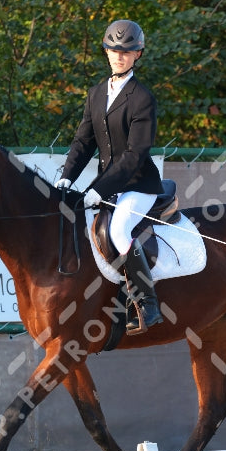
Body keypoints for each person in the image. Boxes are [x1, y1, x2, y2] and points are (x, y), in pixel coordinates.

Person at [54, 19, 164, 334]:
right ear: (106, 51)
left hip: (138, 185)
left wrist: (99, 189)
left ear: (138, 54)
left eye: (127, 51)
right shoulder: (96, 93)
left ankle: (148, 303)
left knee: (118, 231)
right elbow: (83, 141)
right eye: (114, 50)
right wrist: (67, 177)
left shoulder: (142, 98)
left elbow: (134, 156)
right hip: (105, 185)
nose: (119, 56)